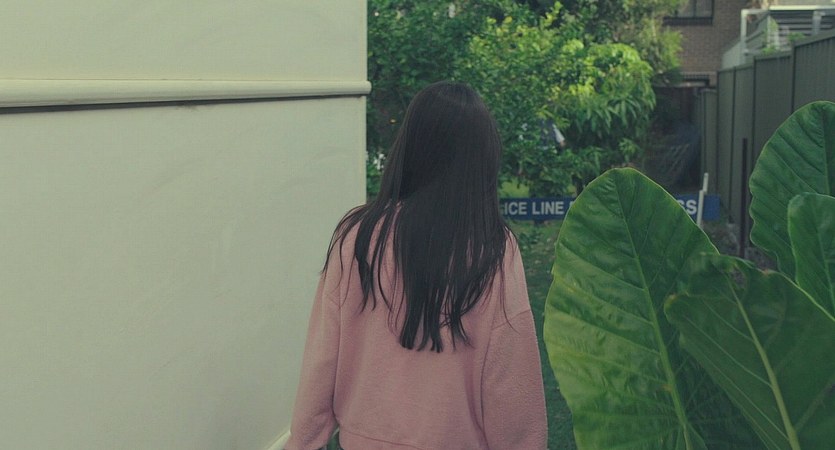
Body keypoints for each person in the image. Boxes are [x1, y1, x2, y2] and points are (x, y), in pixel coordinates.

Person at [285, 81, 548, 450]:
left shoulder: (358, 236)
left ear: (408, 146)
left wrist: (303, 442)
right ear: (482, 157)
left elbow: (322, 359)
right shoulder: (492, 248)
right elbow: (510, 377)